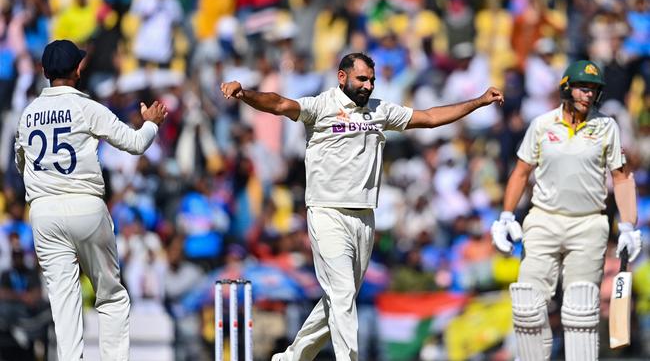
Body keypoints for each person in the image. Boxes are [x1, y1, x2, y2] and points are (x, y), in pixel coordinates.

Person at [221, 52, 504, 361]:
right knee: (342, 295)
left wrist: (478, 101)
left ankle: (291, 358)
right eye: (361, 79)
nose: (368, 86)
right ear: (342, 77)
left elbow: (430, 118)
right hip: (327, 213)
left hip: (365, 217)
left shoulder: (379, 110)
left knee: (339, 300)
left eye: (372, 80)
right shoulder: (322, 106)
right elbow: (278, 104)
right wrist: (245, 93)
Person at [14, 39, 167, 361]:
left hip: (43, 212)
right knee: (111, 296)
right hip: (85, 205)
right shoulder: (86, 107)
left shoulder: (27, 115)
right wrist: (152, 122)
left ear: (43, 71)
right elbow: (136, 144)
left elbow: (20, 163)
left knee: (63, 300)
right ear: (78, 69)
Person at [490, 60, 642, 361]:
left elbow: (622, 177)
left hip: (589, 224)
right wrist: (506, 216)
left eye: (594, 89)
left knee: (581, 308)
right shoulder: (543, 124)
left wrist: (628, 225)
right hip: (543, 220)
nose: (588, 94)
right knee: (527, 305)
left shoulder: (606, 126)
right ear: (566, 88)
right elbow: (520, 172)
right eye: (583, 88)